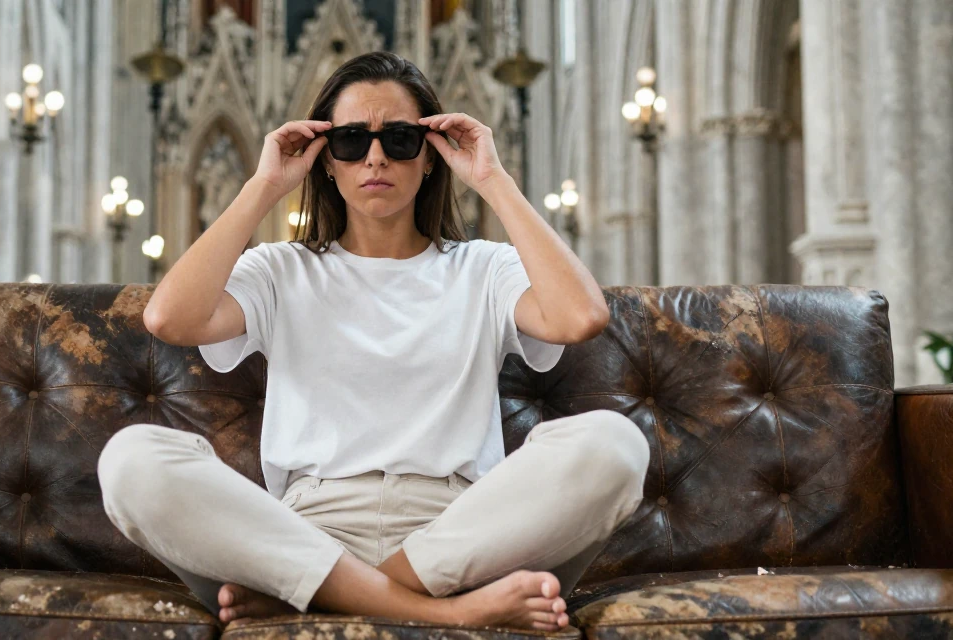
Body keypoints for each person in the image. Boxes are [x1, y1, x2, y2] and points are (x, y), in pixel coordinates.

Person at [98, 51, 649, 632]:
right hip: (306, 531)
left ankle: (330, 595)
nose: (376, 157)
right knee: (132, 460)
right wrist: (264, 186)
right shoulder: (282, 270)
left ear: (433, 158)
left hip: (457, 533)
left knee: (614, 444)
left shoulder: (483, 268)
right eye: (352, 141)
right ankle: (446, 613)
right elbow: (169, 319)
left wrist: (493, 179)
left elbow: (580, 317)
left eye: (402, 139)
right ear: (326, 162)